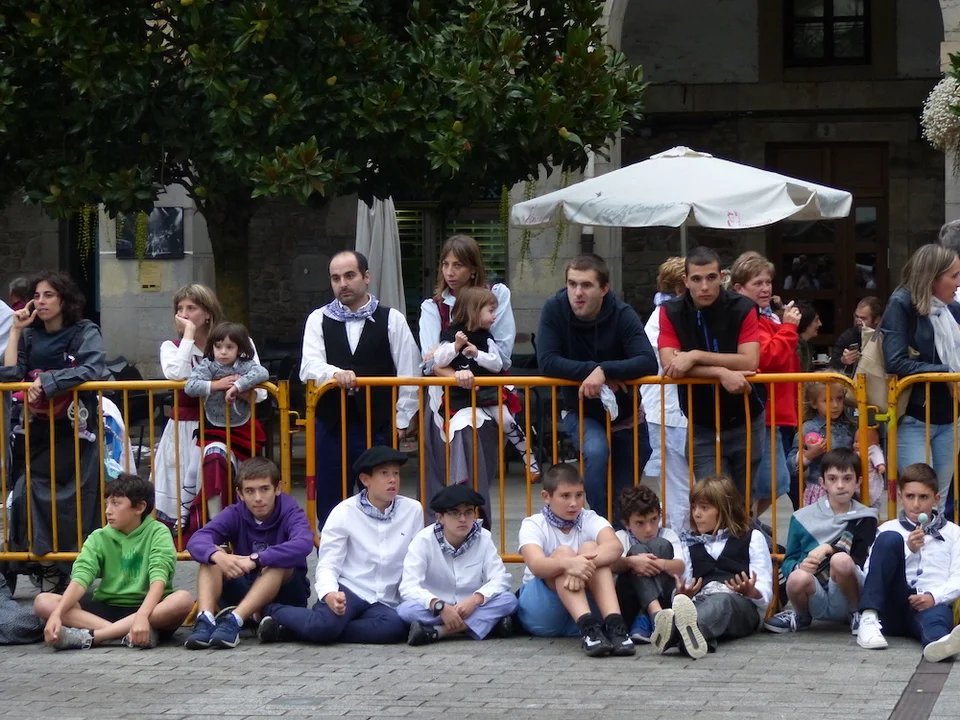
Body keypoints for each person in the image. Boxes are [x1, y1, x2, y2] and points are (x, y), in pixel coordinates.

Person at [0, 271, 106, 591]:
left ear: (64, 299)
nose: (41, 301)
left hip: (74, 431)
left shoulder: (85, 331)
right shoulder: (31, 336)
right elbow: (10, 374)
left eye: (49, 295)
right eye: (37, 296)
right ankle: (45, 564)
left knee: (69, 498)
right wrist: (16, 331)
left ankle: (68, 566)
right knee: (26, 490)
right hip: (35, 430)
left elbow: (92, 368)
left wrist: (48, 382)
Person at [300, 251, 420, 529]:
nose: (342, 283)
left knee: (381, 500)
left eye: (349, 275)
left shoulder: (392, 319)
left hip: (378, 425)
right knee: (330, 503)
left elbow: (409, 371)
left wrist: (402, 419)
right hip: (331, 425)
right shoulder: (318, 319)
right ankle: (332, 555)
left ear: (366, 277)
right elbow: (309, 365)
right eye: (335, 278)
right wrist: (334, 373)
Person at [537, 253, 657, 523]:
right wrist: (593, 371)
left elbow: (647, 360)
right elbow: (546, 361)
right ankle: (601, 526)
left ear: (604, 289)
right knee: (596, 451)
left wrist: (604, 371)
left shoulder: (622, 313)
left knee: (624, 498)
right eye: (572, 284)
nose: (577, 293)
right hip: (581, 411)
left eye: (586, 285)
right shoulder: (555, 309)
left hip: (627, 417)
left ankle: (616, 534)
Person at [260, 446, 421, 645]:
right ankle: (271, 610)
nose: (392, 480)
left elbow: (416, 560)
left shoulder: (412, 510)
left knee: (394, 628)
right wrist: (329, 593)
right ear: (366, 480)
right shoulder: (344, 512)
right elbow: (328, 563)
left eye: (396, 473)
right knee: (324, 626)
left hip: (383, 599)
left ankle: (295, 630)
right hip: (349, 590)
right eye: (384, 473)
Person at [32, 474, 195, 650]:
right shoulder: (99, 536)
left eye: (116, 504)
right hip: (107, 607)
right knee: (43, 601)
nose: (108, 511)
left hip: (150, 610)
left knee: (183, 600)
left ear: (140, 507)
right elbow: (81, 578)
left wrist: (142, 616)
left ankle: (95, 636)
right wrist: (57, 614)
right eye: (107, 504)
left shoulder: (158, 532)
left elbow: (158, 578)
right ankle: (126, 635)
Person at [418, 235, 516, 522]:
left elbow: (503, 357)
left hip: (485, 398)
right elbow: (428, 363)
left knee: (476, 468)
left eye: (458, 265)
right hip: (444, 398)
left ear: (473, 268)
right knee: (438, 473)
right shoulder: (433, 306)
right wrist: (457, 375)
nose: (450, 272)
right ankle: (436, 538)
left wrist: (458, 363)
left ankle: (476, 533)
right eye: (445, 264)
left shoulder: (496, 295)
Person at [658, 247, 764, 502]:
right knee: (715, 501)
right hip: (701, 423)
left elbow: (749, 360)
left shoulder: (743, 307)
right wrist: (720, 372)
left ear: (722, 277)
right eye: (696, 279)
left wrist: (695, 356)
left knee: (742, 502)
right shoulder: (670, 311)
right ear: (685, 281)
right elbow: (671, 365)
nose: (704, 286)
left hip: (746, 417)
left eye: (711, 277)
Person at [184, 457, 314, 649]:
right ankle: (205, 620)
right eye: (250, 491)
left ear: (278, 488)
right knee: (212, 555)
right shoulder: (235, 512)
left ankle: (235, 619)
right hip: (245, 587)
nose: (258, 498)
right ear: (240, 494)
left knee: (277, 563)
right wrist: (219, 556)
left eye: (265, 489)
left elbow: (304, 543)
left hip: (287, 594)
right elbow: (196, 540)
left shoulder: (291, 512)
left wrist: (257, 559)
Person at [516, 463, 635, 657]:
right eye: (565, 496)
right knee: (563, 553)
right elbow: (537, 565)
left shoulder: (590, 518)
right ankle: (590, 629)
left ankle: (615, 627)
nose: (574, 503)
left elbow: (615, 547)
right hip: (543, 613)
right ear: (546, 497)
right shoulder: (533, 524)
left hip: (587, 607)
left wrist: (581, 564)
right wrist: (569, 564)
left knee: (591, 548)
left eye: (579, 495)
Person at [652, 475, 773, 659]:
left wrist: (751, 591)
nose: (696, 514)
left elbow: (765, 595)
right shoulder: (689, 542)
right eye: (694, 507)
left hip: (741, 606)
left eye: (704, 508)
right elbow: (685, 586)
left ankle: (677, 632)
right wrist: (682, 594)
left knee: (722, 601)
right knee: (697, 606)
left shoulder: (752, 537)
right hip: (701, 600)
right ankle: (690, 638)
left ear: (724, 509)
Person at [764, 449, 878, 634]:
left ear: (858, 481)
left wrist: (828, 548)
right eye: (832, 479)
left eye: (847, 479)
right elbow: (788, 561)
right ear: (822, 482)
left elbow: (861, 559)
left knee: (840, 560)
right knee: (797, 576)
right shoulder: (801, 517)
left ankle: (857, 614)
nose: (840, 485)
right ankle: (801, 616)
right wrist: (800, 567)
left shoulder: (866, 516)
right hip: (814, 594)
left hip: (849, 591)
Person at [881, 244, 960, 506]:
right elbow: (895, 361)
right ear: (933, 277)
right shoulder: (902, 303)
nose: (959, 283)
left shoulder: (952, 309)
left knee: (938, 497)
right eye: (954, 276)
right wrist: (946, 372)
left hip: (950, 416)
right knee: (917, 498)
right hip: (914, 417)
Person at [856, 464, 960, 662]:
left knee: (937, 623)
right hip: (893, 604)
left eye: (924, 497)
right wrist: (908, 549)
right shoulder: (888, 528)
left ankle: (940, 645)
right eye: (910, 496)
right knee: (890, 539)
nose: (916, 504)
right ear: (900, 497)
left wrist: (933, 597)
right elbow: (870, 573)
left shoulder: (954, 532)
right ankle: (868, 618)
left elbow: (957, 577)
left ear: (936, 499)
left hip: (929, 603)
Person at [433, 286, 537, 477]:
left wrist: (477, 354)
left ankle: (529, 458)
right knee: (461, 429)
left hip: (489, 391)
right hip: (461, 395)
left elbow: (497, 364)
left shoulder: (487, 338)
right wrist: (456, 346)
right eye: (490, 311)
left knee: (506, 420)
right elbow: (439, 359)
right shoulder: (451, 334)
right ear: (474, 311)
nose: (494, 316)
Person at [398, 484, 517, 646]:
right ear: (440, 517)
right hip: (437, 609)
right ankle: (482, 625)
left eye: (468, 512)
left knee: (509, 600)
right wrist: (439, 606)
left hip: (471, 607)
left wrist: (475, 599)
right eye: (454, 513)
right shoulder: (423, 540)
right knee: (406, 610)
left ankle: (438, 632)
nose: (463, 519)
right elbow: (408, 587)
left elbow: (500, 579)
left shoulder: (484, 538)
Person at [731, 251, 800, 517]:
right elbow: (769, 357)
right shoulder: (747, 319)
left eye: (768, 282)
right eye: (757, 283)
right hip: (764, 411)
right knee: (772, 482)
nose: (765, 288)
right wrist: (789, 327)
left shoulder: (764, 317)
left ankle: (745, 525)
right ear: (739, 288)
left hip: (776, 410)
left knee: (770, 483)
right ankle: (743, 526)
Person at [152, 284, 223, 533]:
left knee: (217, 485)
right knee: (181, 481)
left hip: (222, 424)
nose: (184, 314)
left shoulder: (229, 342)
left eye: (191, 308)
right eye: (180, 309)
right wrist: (189, 335)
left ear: (208, 313)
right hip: (184, 427)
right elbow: (177, 375)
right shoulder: (171, 346)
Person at [641, 257, 691, 530]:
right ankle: (680, 540)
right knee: (677, 487)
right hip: (668, 411)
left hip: (677, 411)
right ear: (681, 287)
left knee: (688, 485)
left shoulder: (677, 314)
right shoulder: (662, 317)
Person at [611, 485, 684, 644]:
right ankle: (656, 615)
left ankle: (646, 617)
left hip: (664, 599)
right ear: (626, 523)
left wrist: (657, 563)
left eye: (653, 520)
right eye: (640, 523)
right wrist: (632, 562)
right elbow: (611, 565)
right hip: (629, 602)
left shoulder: (668, 534)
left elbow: (679, 566)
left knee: (661, 545)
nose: (649, 529)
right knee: (636, 551)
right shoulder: (620, 537)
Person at [184, 322, 269, 430]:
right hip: (212, 423)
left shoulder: (244, 364)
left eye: (230, 347)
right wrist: (217, 385)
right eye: (218, 347)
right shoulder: (207, 365)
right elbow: (190, 387)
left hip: (242, 422)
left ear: (239, 348)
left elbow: (262, 372)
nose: (223, 352)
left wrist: (238, 386)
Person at [787, 382, 856, 508]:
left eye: (839, 399)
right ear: (814, 403)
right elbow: (791, 466)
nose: (835, 405)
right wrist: (809, 455)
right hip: (819, 489)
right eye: (827, 400)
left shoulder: (850, 426)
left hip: (847, 488)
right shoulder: (808, 428)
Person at [829, 298, 884, 377]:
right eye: (856, 317)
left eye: (863, 318)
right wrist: (843, 360)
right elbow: (831, 366)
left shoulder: (885, 336)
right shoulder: (848, 336)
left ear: (877, 319)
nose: (858, 321)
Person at [853, 427, 886, 511]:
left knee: (873, 497)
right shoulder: (856, 453)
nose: (856, 444)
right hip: (860, 480)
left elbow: (877, 456)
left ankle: (874, 511)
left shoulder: (872, 450)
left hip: (871, 479)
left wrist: (880, 465)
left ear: (872, 443)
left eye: (859, 442)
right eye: (855, 441)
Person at [796, 303, 821, 372]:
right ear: (805, 322)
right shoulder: (795, 346)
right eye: (816, 320)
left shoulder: (807, 344)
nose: (820, 324)